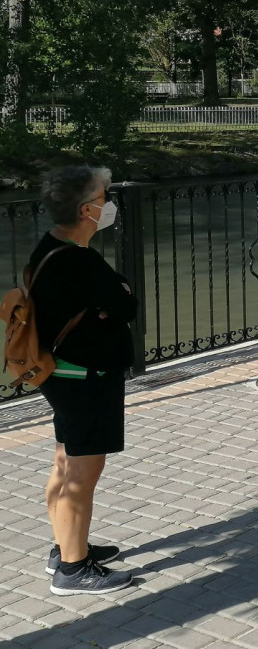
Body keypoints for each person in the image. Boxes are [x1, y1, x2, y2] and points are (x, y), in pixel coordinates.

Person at [30, 166, 137, 595]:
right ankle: (73, 570)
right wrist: (116, 301)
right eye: (104, 196)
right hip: (86, 378)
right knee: (81, 472)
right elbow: (125, 303)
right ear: (86, 209)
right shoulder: (79, 261)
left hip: (64, 375)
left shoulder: (51, 247)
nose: (109, 203)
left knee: (64, 462)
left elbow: (115, 302)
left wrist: (112, 302)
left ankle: (66, 545)